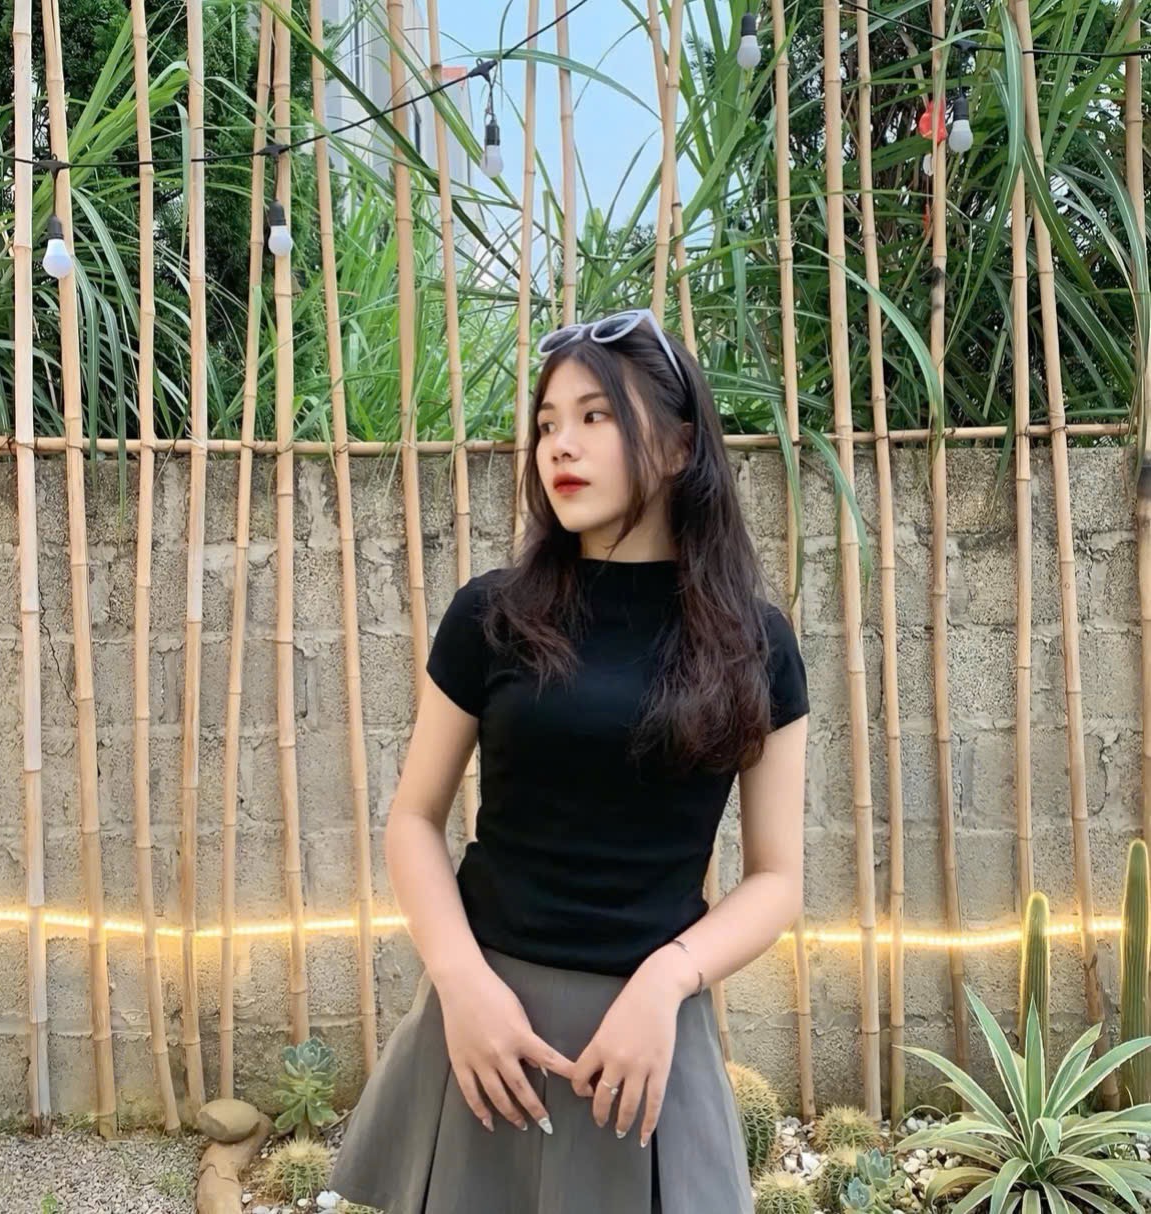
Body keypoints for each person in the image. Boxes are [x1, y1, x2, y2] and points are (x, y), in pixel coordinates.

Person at [329, 307, 810, 1213]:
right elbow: (414, 819)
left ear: (678, 445)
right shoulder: (492, 615)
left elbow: (777, 880)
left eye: (596, 416)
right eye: (548, 422)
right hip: (486, 1025)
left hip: (645, 1041)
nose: (561, 444)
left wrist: (667, 981)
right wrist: (462, 986)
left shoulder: (756, 644)